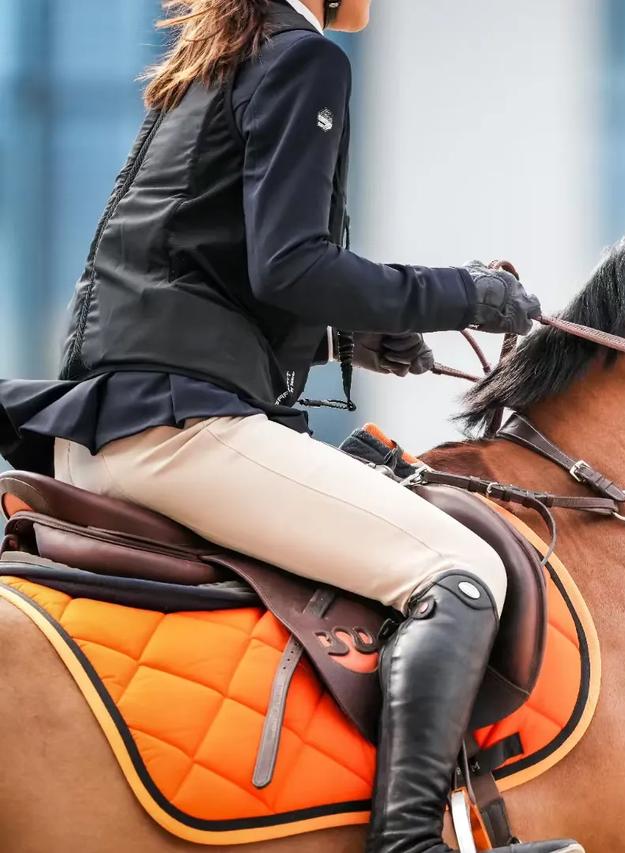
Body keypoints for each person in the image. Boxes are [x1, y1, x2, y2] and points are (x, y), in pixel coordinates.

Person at [0, 2, 580, 852]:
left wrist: (352, 334)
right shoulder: (307, 57)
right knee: (461, 569)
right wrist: (471, 294)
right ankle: (411, 842)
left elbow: (198, 264)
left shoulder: (214, 58)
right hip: (180, 432)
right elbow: (293, 262)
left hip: (108, 427)